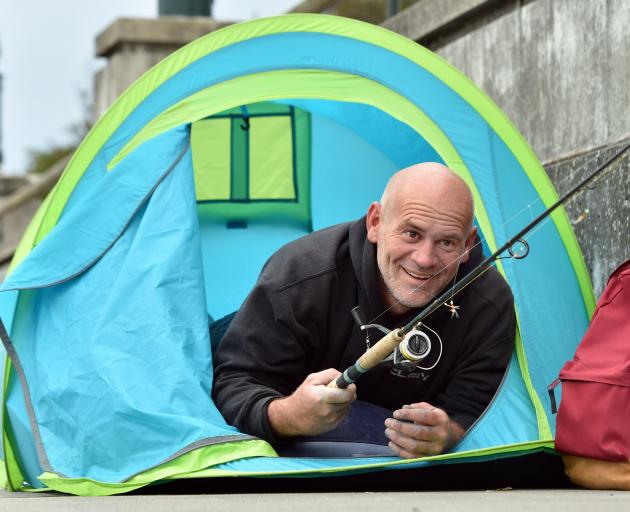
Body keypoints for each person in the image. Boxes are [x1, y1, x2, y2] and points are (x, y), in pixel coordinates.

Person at [212, 162, 515, 458]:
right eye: (411, 233)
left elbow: (475, 410)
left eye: (447, 242)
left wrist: (448, 433)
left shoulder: (490, 304)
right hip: (242, 333)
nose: (425, 259)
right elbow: (233, 385)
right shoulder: (297, 276)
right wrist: (288, 415)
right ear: (375, 223)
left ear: (468, 245)